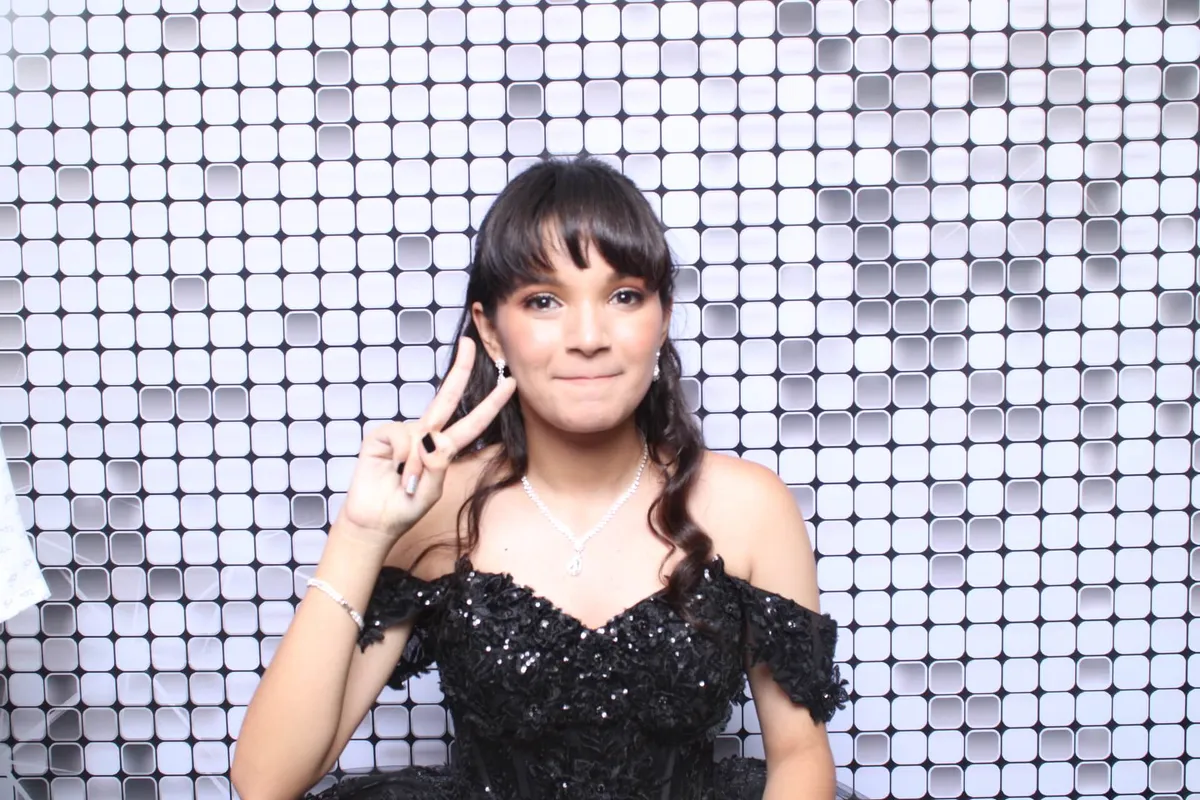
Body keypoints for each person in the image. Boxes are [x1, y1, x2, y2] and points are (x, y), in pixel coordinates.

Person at [231, 157, 860, 800]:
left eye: (623, 296)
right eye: (543, 301)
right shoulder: (434, 508)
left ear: (662, 316)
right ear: (491, 332)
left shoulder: (749, 507)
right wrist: (361, 533)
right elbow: (265, 783)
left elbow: (800, 757)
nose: (588, 336)